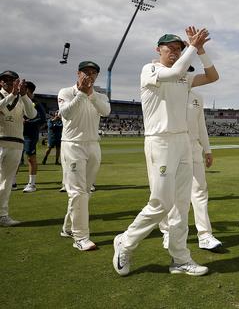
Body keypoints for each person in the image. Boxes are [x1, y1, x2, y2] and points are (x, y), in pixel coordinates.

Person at [112, 27, 217, 277]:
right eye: (170, 48)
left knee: (181, 205)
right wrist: (192, 47)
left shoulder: (184, 77)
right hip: (159, 141)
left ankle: (180, 259)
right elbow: (177, 71)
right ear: (157, 50)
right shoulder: (150, 70)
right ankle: (125, 242)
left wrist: (200, 50)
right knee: (161, 202)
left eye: (178, 48)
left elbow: (212, 76)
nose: (175, 52)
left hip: (182, 141)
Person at [159, 88, 223, 251]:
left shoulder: (197, 97)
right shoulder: (167, 91)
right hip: (173, 145)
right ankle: (168, 232)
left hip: (194, 147)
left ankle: (204, 235)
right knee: (171, 191)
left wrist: (207, 149)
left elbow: (201, 124)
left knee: (200, 190)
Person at [57, 61, 111, 250]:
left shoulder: (100, 96)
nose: (89, 76)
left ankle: (67, 227)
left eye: (93, 73)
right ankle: (80, 238)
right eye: (86, 72)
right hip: (72, 145)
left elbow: (106, 111)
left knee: (85, 192)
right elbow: (66, 114)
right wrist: (81, 93)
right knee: (77, 192)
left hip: (93, 145)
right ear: (77, 73)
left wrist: (91, 94)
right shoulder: (65, 92)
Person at [0, 71, 37, 227]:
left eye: (13, 80)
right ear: (1, 82)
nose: (9, 83)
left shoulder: (22, 98)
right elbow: (4, 107)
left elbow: (32, 113)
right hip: (1, 141)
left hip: (16, 143)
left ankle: (2, 215)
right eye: (6, 80)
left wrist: (23, 95)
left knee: (6, 182)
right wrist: (13, 94)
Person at [22, 81, 47, 193]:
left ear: (28, 90)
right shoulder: (17, 101)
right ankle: (12, 182)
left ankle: (32, 184)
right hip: (16, 133)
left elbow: (42, 119)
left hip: (30, 134)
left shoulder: (36, 103)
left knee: (30, 158)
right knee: (15, 158)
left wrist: (28, 122)